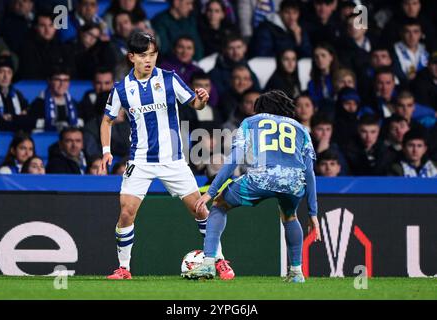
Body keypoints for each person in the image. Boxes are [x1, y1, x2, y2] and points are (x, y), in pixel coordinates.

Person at [100, 31, 234, 280]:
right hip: (139, 160)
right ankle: (124, 268)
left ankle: (219, 260)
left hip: (173, 159)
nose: (148, 60)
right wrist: (106, 152)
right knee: (126, 212)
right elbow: (106, 121)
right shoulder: (121, 89)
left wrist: (202, 100)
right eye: (142, 55)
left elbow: (194, 103)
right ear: (131, 57)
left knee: (200, 209)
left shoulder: (170, 79)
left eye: (152, 54)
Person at [183, 90, 321, 282]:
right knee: (290, 216)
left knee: (219, 204)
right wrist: (313, 213)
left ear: (259, 108)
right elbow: (309, 172)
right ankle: (296, 272)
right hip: (293, 181)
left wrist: (211, 191)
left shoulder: (250, 122)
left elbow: (235, 159)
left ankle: (208, 263)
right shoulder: (301, 129)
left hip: (262, 177)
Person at [18, 12, 74, 80]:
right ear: (36, 27)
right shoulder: (26, 48)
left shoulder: (65, 49)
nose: (47, 30)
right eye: (42, 25)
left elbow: (72, 74)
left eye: (51, 25)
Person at [0, 55, 35, 132]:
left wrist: (12, 117)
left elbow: (29, 115)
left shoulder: (17, 94)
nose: (5, 76)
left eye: (9, 72)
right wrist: (17, 118)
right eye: (1, 72)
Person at [29, 66, 82, 132]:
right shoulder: (38, 104)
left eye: (66, 80)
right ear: (49, 81)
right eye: (57, 80)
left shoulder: (75, 104)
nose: (62, 84)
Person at [393, 18, 429, 83]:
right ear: (401, 33)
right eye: (407, 32)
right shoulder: (394, 50)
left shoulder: (426, 49)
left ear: (421, 34)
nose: (412, 36)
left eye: (415, 32)